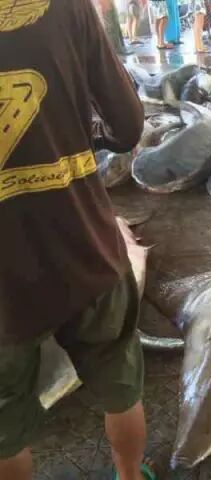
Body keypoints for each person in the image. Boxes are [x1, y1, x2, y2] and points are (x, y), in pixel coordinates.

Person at [0, 0, 150, 479]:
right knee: (119, 383)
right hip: (83, 246)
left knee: (5, 428)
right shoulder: (68, 6)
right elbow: (128, 126)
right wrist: (83, 136)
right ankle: (130, 476)